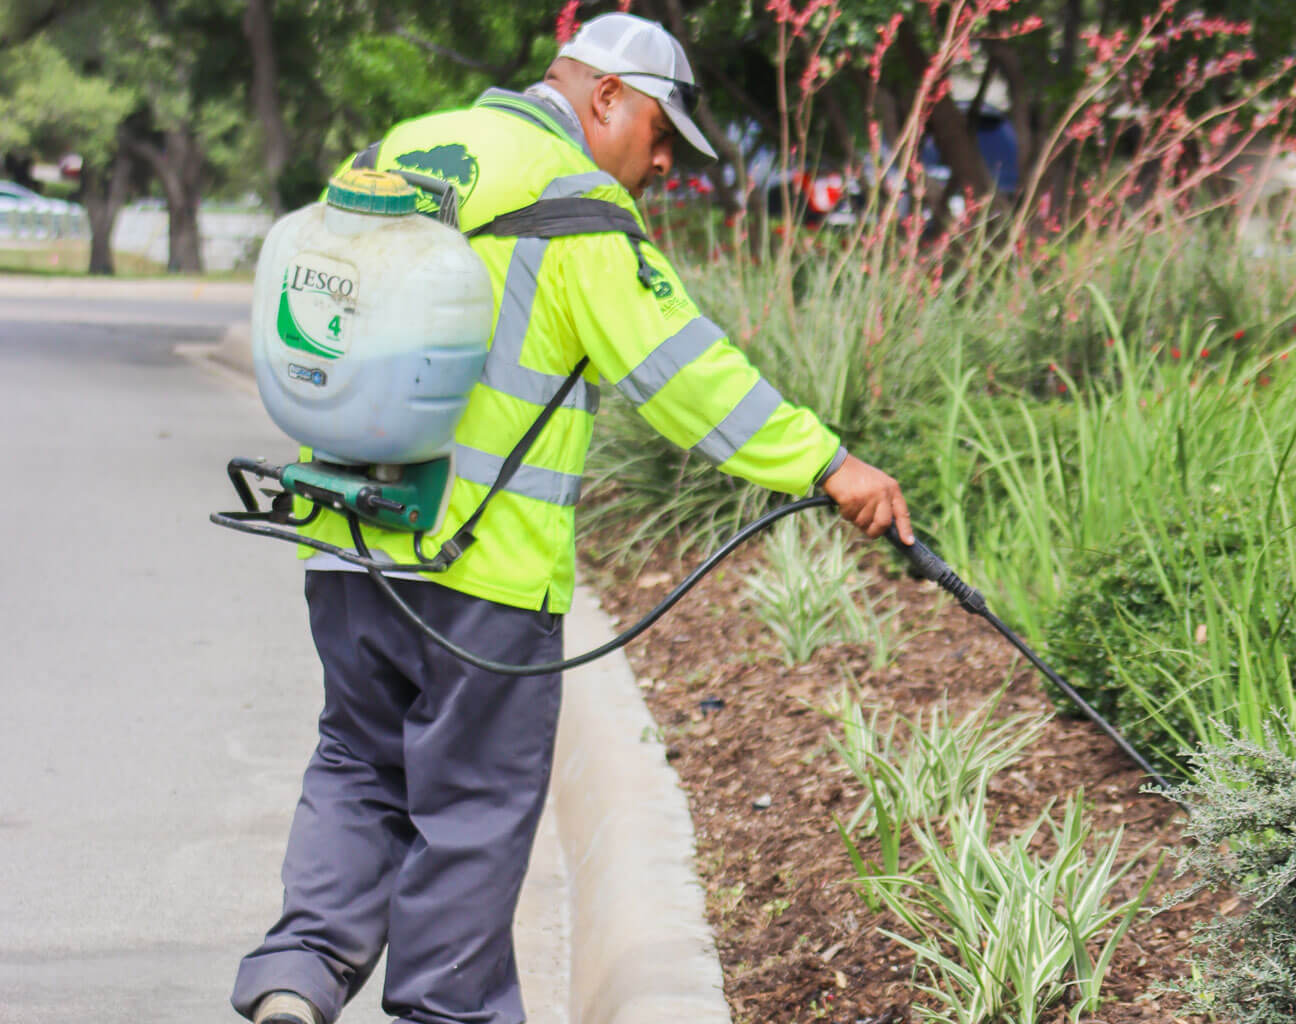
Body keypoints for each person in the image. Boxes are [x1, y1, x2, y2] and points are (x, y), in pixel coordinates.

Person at [231, 13, 912, 1024]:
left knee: (356, 763)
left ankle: (297, 973)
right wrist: (827, 463)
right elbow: (685, 375)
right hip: (484, 576)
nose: (664, 158)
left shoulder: (402, 149)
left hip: (350, 542)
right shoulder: (575, 203)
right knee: (469, 809)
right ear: (604, 98)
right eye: (660, 128)